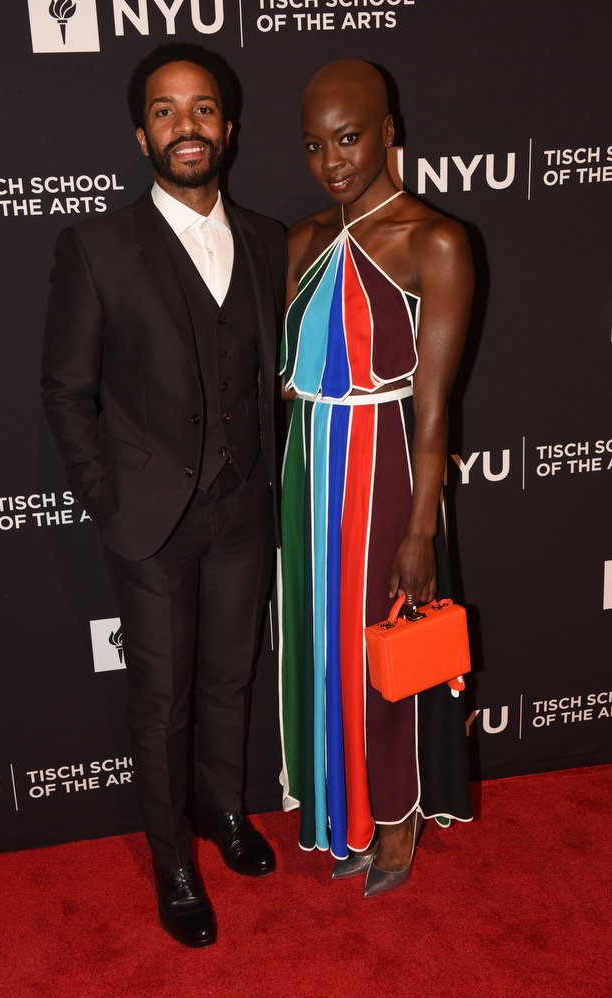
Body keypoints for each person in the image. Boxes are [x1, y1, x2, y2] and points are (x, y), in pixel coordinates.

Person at [41, 43, 286, 947]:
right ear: (140, 133)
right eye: (166, 110)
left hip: (244, 509)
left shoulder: (265, 236)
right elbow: (66, 392)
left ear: (228, 125)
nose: (187, 125)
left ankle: (221, 813)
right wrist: (109, 501)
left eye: (204, 107)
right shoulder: (96, 246)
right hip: (149, 520)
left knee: (229, 677)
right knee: (162, 698)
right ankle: (172, 861)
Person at [278, 60, 474, 897]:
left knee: (379, 648)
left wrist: (420, 528)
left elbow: (433, 408)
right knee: (320, 651)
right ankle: (339, 813)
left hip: (384, 466)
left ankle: (394, 818)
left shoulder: (435, 241)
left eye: (350, 137)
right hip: (305, 469)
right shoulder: (302, 239)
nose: (333, 160)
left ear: (389, 131)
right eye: (315, 144)